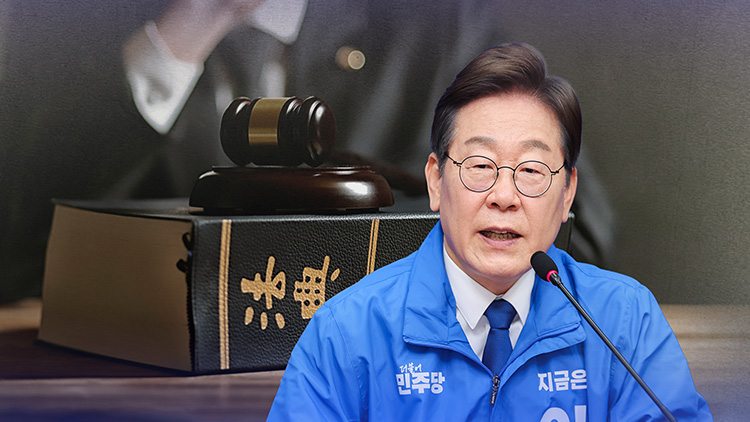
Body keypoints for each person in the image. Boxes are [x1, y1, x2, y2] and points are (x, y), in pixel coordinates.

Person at [267, 44, 711, 421]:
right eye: (480, 166)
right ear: (436, 181)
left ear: (567, 194)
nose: (504, 196)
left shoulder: (624, 320)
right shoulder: (348, 331)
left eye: (532, 170)